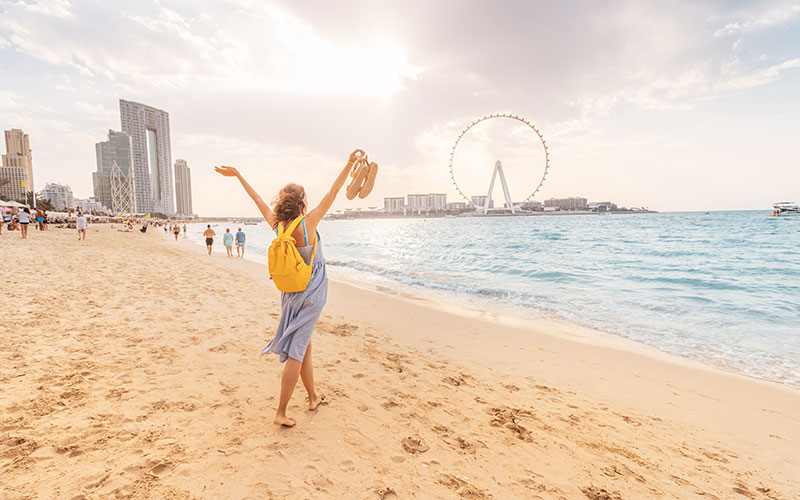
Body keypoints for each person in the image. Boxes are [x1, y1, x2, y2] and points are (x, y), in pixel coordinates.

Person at [215, 149, 359, 427]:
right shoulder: (308, 223)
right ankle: (280, 412)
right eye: (307, 197)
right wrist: (350, 164)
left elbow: (256, 199)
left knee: (304, 346)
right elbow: (336, 189)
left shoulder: (278, 225)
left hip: (290, 293)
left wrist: (238, 176)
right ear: (302, 203)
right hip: (312, 291)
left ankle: (313, 397)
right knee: (298, 349)